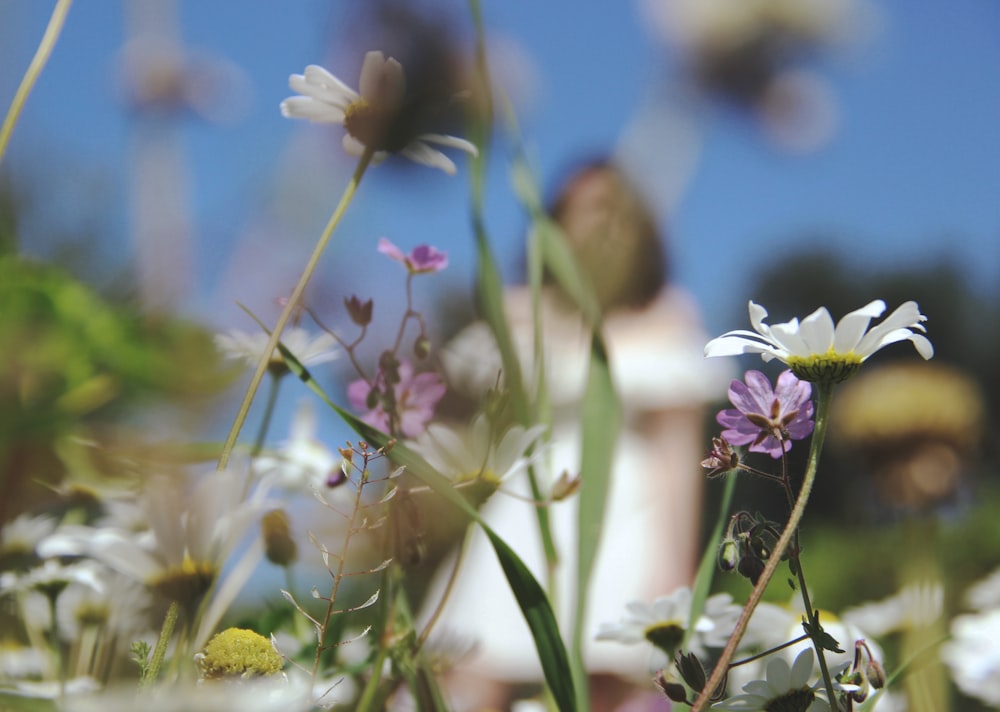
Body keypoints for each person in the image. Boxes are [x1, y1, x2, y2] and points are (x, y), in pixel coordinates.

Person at [421, 159, 730, 710]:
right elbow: (470, 406)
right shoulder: (523, 309)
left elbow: (679, 452)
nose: (597, 227)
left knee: (608, 683)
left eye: (612, 211)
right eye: (580, 212)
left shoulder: (669, 316)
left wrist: (676, 573)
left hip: (627, 513)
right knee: (465, 670)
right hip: (527, 502)